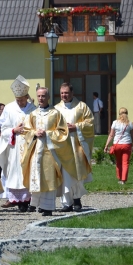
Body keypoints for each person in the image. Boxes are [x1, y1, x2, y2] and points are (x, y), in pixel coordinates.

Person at [21, 87, 76, 216]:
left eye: (44, 96)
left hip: (51, 151)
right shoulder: (33, 114)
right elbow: (26, 131)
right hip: (36, 150)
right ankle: (37, 204)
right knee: (37, 175)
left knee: (49, 177)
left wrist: (48, 134)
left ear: (48, 97)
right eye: (39, 96)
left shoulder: (55, 113)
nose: (41, 98)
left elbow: (63, 132)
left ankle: (48, 207)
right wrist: (34, 132)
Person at [0, 75, 37, 212]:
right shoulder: (9, 108)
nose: (19, 102)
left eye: (22, 99)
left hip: (29, 145)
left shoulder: (33, 109)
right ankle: (19, 201)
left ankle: (29, 200)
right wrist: (14, 130)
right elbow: (3, 128)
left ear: (27, 96)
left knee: (29, 171)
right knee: (16, 173)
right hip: (15, 147)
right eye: (17, 99)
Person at [54, 82, 94, 212]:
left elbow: (90, 123)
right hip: (62, 147)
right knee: (64, 174)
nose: (64, 95)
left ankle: (77, 200)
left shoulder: (82, 107)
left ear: (72, 93)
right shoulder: (56, 109)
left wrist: (76, 127)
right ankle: (66, 203)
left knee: (76, 171)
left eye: (66, 93)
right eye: (62, 93)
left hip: (77, 145)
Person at [104, 107, 133, 184]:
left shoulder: (115, 123)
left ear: (119, 114)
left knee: (118, 162)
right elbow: (132, 136)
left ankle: (119, 178)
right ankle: (123, 180)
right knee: (125, 163)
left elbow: (111, 135)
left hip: (117, 145)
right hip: (127, 144)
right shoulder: (130, 123)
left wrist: (106, 145)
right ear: (127, 114)